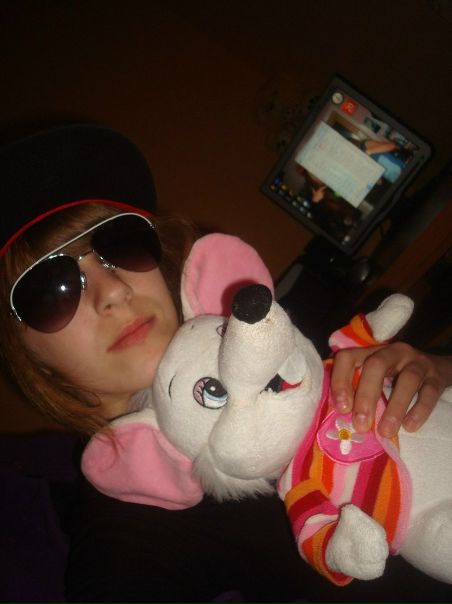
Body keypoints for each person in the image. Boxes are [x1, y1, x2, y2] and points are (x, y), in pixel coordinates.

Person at [1, 124, 451, 603]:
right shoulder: (130, 532)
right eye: (48, 290)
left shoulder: (280, 345)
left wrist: (437, 373)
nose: (113, 291)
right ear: (30, 357)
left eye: (119, 242)